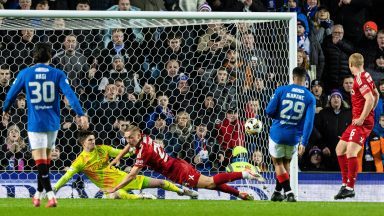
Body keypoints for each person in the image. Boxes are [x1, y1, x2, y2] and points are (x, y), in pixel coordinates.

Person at [1, 42, 89, 208]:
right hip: (53, 123)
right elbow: (70, 94)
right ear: (50, 56)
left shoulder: (25, 73)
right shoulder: (57, 74)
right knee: (45, 162)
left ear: (34, 56)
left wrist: (5, 110)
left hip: (35, 124)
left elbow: (11, 95)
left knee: (40, 163)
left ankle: (51, 196)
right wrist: (80, 114)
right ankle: (37, 195)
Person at [107, 125, 264, 200]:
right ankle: (240, 194)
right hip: (177, 165)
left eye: (131, 138)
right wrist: (118, 157)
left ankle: (245, 174)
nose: (129, 141)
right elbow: (129, 146)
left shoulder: (144, 152)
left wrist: (116, 187)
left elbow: (132, 175)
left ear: (138, 135)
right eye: (127, 138)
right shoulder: (144, 138)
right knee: (210, 184)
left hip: (178, 171)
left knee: (210, 182)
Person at [53, 130, 198, 200]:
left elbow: (120, 152)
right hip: (109, 188)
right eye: (90, 140)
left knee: (160, 182)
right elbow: (67, 176)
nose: (93, 142)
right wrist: (55, 188)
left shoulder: (103, 149)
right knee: (117, 194)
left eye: (94, 139)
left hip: (123, 177)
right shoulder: (80, 161)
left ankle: (184, 191)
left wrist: (133, 151)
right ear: (82, 143)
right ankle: (142, 197)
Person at [266, 66, 316, 202]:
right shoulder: (310, 97)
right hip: (294, 136)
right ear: (305, 80)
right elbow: (309, 122)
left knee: (277, 163)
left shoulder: (281, 90)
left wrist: (281, 117)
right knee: (286, 162)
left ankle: (289, 192)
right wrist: (304, 142)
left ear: (293, 77)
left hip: (278, 133)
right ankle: (277, 192)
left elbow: (269, 111)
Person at [334, 53, 379, 200]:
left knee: (351, 152)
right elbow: (376, 95)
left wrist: (363, 117)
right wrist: (370, 112)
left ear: (350, 65)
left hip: (361, 121)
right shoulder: (367, 76)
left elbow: (370, 98)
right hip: (359, 120)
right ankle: (345, 184)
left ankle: (350, 187)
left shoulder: (359, 78)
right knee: (340, 149)